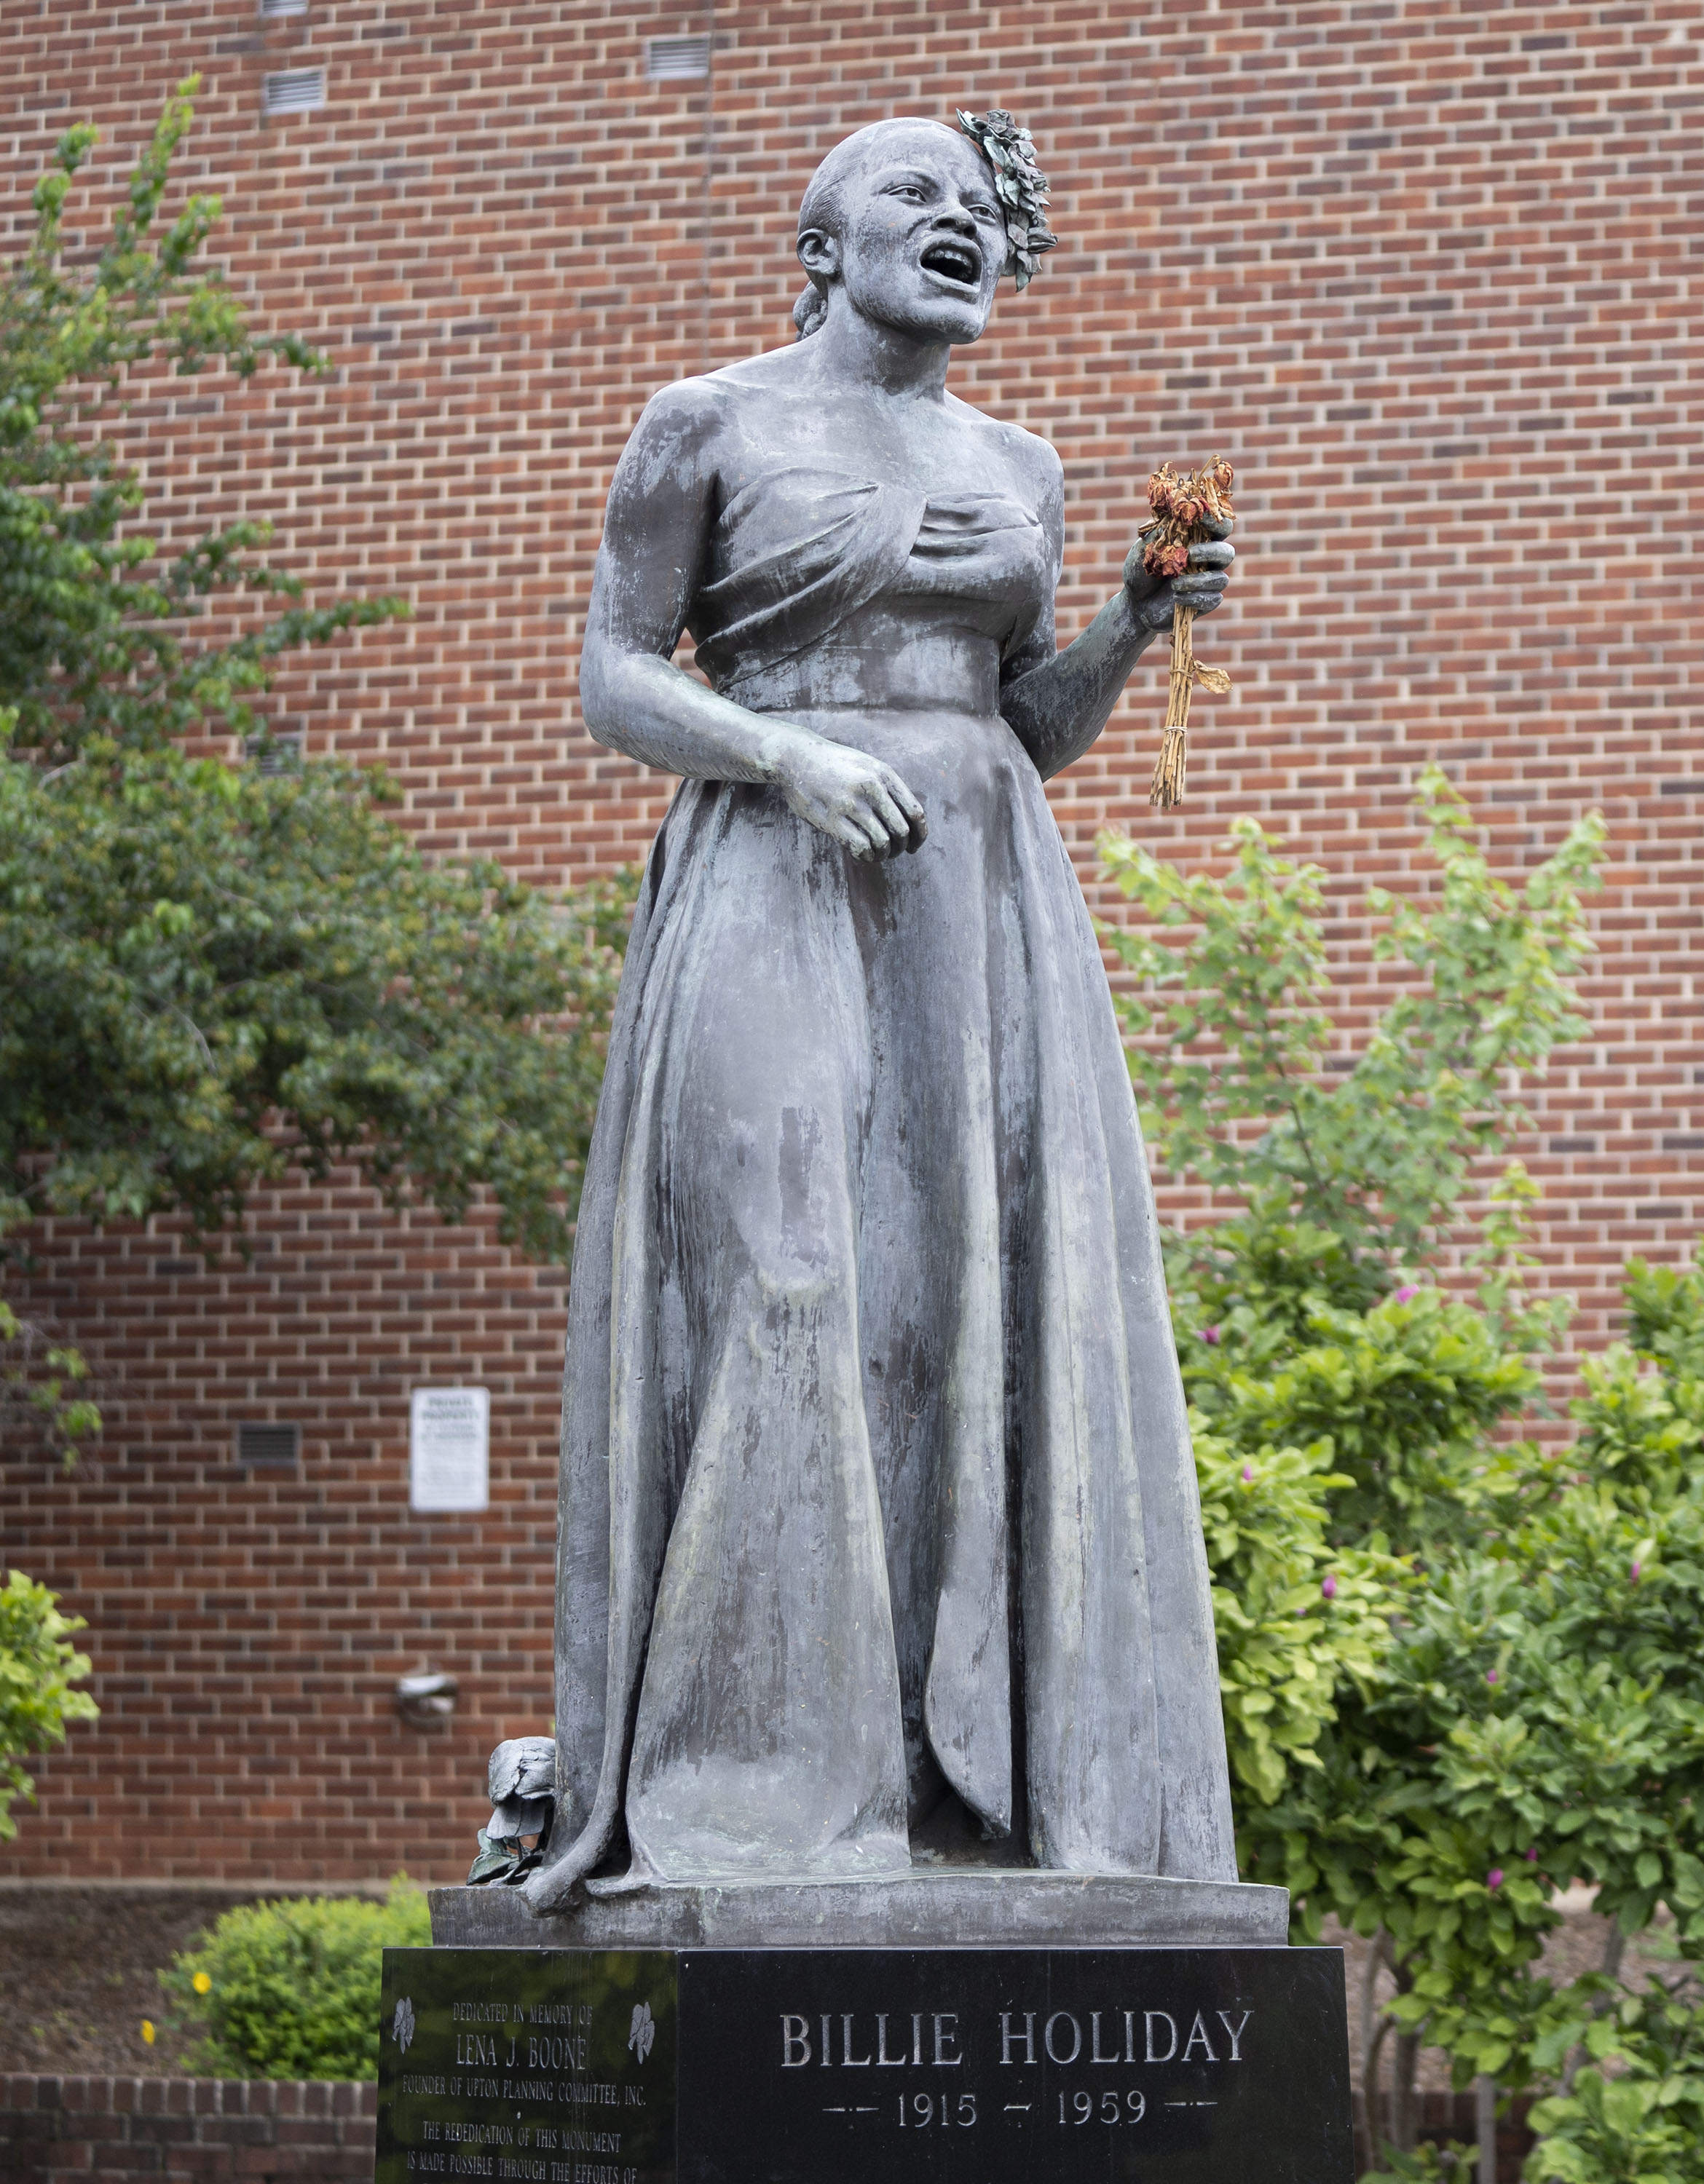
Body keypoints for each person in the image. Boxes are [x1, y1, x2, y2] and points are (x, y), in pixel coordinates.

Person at [524, 113, 1239, 1910]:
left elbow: (1027, 728)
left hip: (978, 898)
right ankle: (753, 1791)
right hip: (774, 868)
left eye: (985, 209)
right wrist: (783, 755)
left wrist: (1137, 628)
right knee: (787, 1267)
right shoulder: (711, 420)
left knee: (951, 1315)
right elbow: (616, 672)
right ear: (823, 234)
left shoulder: (1023, 459)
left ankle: (944, 1781)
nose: (960, 226)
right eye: (916, 197)